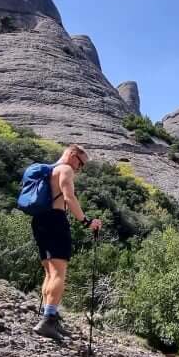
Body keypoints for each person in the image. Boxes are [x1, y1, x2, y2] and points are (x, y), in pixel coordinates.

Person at [31, 144, 102, 340]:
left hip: (40, 220)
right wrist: (87, 222)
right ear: (72, 154)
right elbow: (69, 198)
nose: (79, 169)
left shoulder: (50, 171)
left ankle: (50, 316)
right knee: (58, 273)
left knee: (50, 272)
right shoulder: (65, 169)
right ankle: (48, 321)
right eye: (80, 163)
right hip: (55, 221)